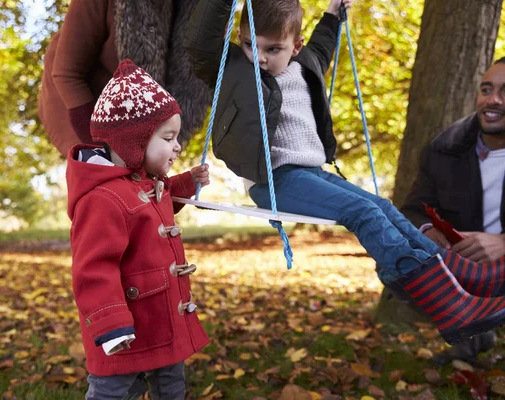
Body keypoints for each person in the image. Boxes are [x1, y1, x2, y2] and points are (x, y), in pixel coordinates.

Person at [185, 0, 505, 345]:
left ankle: (455, 272)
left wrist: (335, 14)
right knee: (363, 212)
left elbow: (323, 43)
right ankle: (447, 302)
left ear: (296, 46)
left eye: (273, 48)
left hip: (311, 172)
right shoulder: (235, 69)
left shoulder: (306, 65)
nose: (259, 57)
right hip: (274, 180)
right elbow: (200, 41)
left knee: (384, 207)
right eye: (251, 44)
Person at [66, 60, 210, 399]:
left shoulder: (141, 184)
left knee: (171, 384)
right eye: (168, 137)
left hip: (159, 316)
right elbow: (93, 267)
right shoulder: (101, 199)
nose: (177, 146)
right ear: (133, 142)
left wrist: (185, 182)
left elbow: (150, 207)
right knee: (115, 390)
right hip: (124, 327)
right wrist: (109, 324)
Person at [399, 57, 505, 362]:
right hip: (462, 267)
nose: (492, 100)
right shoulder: (444, 149)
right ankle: (475, 331)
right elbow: (412, 210)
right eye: (486, 89)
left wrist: (502, 243)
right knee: (396, 263)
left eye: (504, 91)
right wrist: (429, 232)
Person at [39, 0, 212, 156]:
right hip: (80, 109)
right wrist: (101, 155)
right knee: (107, 186)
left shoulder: (203, 9)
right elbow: (67, 75)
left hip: (137, 128)